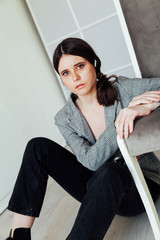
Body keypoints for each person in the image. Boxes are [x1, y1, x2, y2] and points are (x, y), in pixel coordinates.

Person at [6, 38, 160, 240]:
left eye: (80, 66)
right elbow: (90, 162)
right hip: (98, 188)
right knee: (37, 147)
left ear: (93, 63)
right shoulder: (64, 119)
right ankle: (17, 236)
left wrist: (143, 107)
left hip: (141, 186)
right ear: (61, 78)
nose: (75, 77)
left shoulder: (122, 89)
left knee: (111, 171)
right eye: (66, 73)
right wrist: (118, 123)